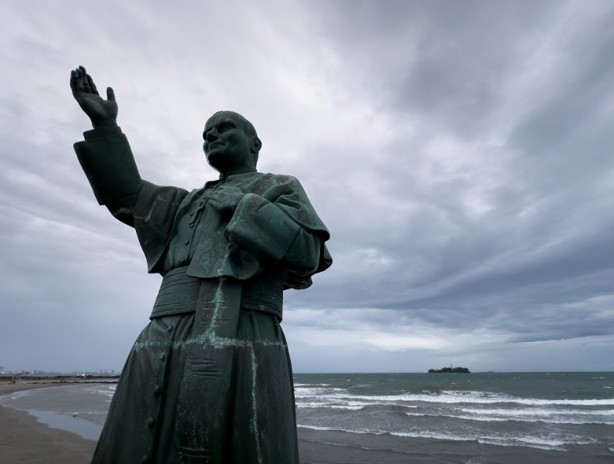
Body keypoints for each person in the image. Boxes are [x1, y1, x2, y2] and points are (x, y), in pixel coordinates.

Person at [70, 66, 332, 464]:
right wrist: (105, 125)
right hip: (161, 334)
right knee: (135, 440)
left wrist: (246, 208)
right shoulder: (185, 202)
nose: (212, 135)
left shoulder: (279, 186)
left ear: (254, 143)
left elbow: (308, 253)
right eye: (206, 133)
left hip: (243, 329)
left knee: (243, 440)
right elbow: (127, 195)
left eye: (225, 128)